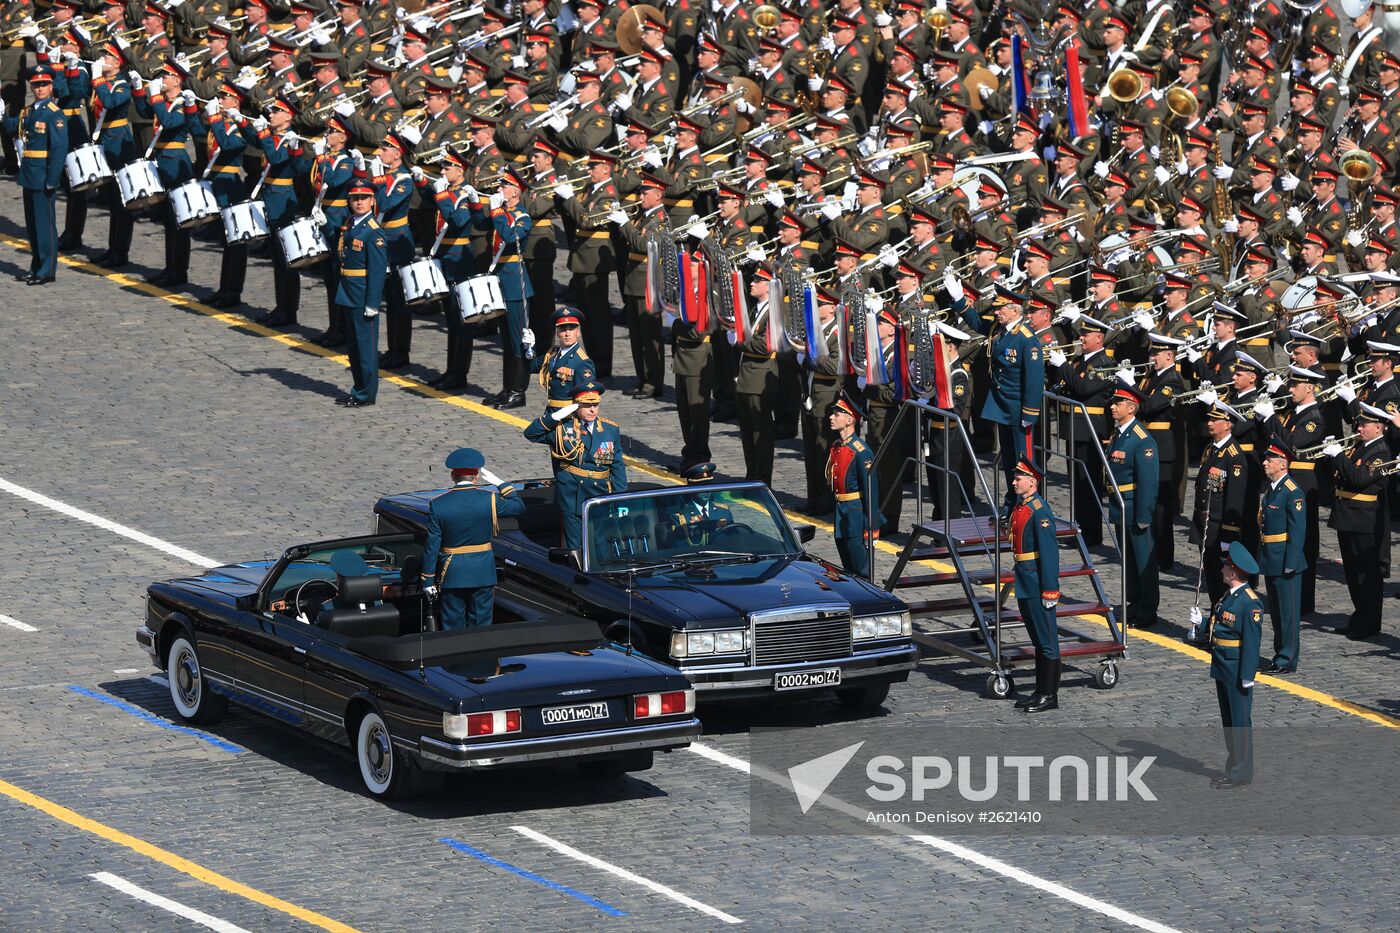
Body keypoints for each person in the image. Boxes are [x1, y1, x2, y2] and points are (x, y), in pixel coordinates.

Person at [954, 276, 1044, 513]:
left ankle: (1028, 504)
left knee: (1023, 461)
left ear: (1014, 310)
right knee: (1009, 460)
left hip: (1017, 409)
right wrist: (958, 299)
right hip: (1002, 405)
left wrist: (1030, 413)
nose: (996, 312)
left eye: (1000, 308)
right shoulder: (1000, 330)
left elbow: (1034, 381)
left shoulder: (1027, 340)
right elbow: (975, 322)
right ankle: (1013, 501)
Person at [420, 448, 525, 629]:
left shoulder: (438, 504)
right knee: (481, 625)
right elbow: (518, 506)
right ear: (476, 476)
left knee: (452, 625)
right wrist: (501, 484)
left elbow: (432, 545)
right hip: (482, 571)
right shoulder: (490, 499)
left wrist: (427, 579)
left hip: (452, 571)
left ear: (453, 476)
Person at [522, 380, 628, 550]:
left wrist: (621, 499)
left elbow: (617, 466)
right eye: (587, 405)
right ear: (575, 406)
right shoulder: (562, 428)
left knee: (600, 543)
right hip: (573, 494)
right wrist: (554, 417)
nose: (592, 410)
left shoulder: (610, 429)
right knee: (575, 546)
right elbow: (531, 434)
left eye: (595, 405)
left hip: (599, 492)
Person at [1194, 541, 1263, 790]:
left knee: (1240, 722)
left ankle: (1241, 772)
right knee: (1229, 723)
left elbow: (1252, 643)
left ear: (1233, 572)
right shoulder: (1230, 596)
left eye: (1225, 566)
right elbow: (1220, 627)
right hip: (1223, 665)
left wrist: (1248, 674)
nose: (1222, 569)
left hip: (1236, 669)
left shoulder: (1250, 603)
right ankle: (1234, 767)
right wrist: (1201, 624)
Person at [1324, 402, 1393, 640]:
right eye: (1360, 423)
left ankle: (1370, 623)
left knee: (1367, 575)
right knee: (1353, 574)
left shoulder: (1381, 452)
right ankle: (1360, 616)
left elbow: (1358, 478)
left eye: (1364, 424)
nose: (1359, 427)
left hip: (1364, 518)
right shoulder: (1360, 447)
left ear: (1378, 427)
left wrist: (1339, 456)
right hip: (1348, 515)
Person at [0, 67, 68, 285]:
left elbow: (58, 150)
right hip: (29, 174)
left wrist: (52, 179)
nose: (40, 88)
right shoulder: (29, 111)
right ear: (31, 86)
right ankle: (36, 266)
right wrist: (2, 115)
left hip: (43, 175)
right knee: (32, 226)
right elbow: (13, 129)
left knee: (45, 225)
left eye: (44, 84)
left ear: (51, 86)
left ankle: (47, 270)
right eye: (36, 85)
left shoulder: (54, 113)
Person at [1008, 458, 1062, 713]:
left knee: (1047, 640)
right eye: (1015, 478)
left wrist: (1050, 589)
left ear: (1033, 481)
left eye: (1019, 478)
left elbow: (1049, 553)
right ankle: (1041, 690)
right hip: (1025, 577)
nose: (1014, 481)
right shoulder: (1022, 507)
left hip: (1037, 581)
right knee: (1038, 640)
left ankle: (1050, 695)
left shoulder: (1039, 511)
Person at [1190, 401, 1250, 621]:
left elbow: (1234, 500)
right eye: (1209, 419)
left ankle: (1223, 626)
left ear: (1228, 424)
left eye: (1215, 420)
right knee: (1213, 582)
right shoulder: (1210, 449)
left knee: (1223, 582)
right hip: (1205, 524)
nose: (1210, 423)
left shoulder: (1234, 456)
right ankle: (1214, 624)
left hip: (1219, 529)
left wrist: (1228, 536)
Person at [1106, 384, 1161, 628]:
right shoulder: (1120, 434)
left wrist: (1144, 515)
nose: (1112, 406)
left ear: (1131, 408)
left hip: (1134, 507)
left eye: (1117, 403)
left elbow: (1148, 483)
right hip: (1121, 506)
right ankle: (1134, 603)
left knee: (1143, 562)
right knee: (1128, 561)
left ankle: (1148, 609)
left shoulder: (1141, 440)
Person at [334, 182, 387, 408]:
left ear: (372, 201)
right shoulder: (352, 223)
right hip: (348, 290)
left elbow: (377, 270)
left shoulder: (374, 231)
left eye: (364, 198)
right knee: (354, 347)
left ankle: (366, 393)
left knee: (365, 348)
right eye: (355, 198)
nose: (359, 201)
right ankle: (358, 389)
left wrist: (373, 302)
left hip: (362, 294)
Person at [1256, 441, 1307, 674]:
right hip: (1272, 558)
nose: (1265, 463)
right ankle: (1280, 654)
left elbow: (1297, 533)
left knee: (1288, 614)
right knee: (1277, 613)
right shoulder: (1273, 488)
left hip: (1286, 561)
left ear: (1283, 464)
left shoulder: (1292, 492)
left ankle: (1287, 659)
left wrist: (1291, 564)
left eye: (1270, 459)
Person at [826, 392, 881, 580]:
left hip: (856, 513)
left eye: (837, 414)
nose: (831, 417)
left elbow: (871, 491)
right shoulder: (837, 446)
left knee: (862, 570)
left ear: (849, 420)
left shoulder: (862, 452)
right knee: (847, 569)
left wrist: (871, 526)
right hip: (841, 511)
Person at [533, 307, 597, 412]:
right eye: (563, 329)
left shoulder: (582, 361)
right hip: (550, 412)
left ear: (578, 332)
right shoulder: (552, 353)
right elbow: (531, 367)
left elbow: (587, 397)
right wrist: (528, 348)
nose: (567, 334)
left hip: (568, 415)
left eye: (571, 329)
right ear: (557, 332)